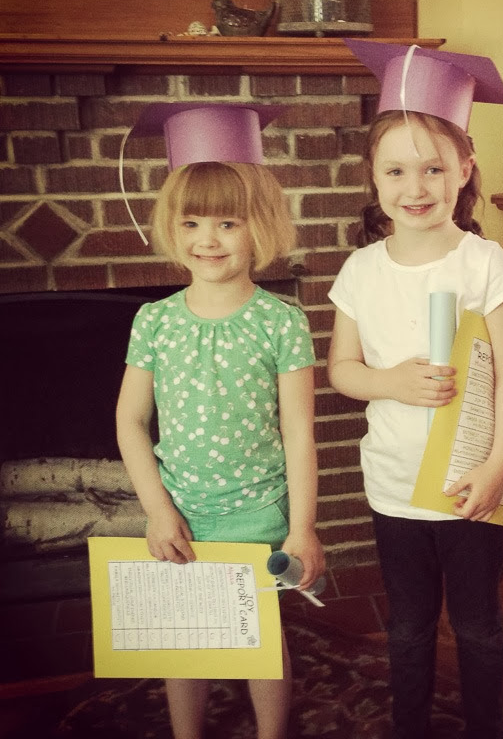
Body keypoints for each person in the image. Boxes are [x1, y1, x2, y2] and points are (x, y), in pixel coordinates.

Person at [327, 39, 503, 739]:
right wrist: (389, 381)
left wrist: (498, 465)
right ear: (373, 176)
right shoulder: (360, 271)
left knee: (477, 623)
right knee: (409, 624)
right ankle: (408, 724)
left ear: (464, 169)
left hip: (470, 481)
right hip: (393, 484)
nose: (415, 187)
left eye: (434, 168)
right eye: (396, 170)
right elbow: (342, 369)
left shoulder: (483, 263)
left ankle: (484, 727)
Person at [115, 103, 325, 739]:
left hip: (258, 512)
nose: (207, 238)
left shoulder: (281, 322)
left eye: (228, 222)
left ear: (260, 226)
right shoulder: (154, 321)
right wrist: (158, 510)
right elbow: (130, 421)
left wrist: (303, 526)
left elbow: (299, 433)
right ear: (172, 226)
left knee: (258, 638)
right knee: (186, 643)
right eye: (192, 221)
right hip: (180, 509)